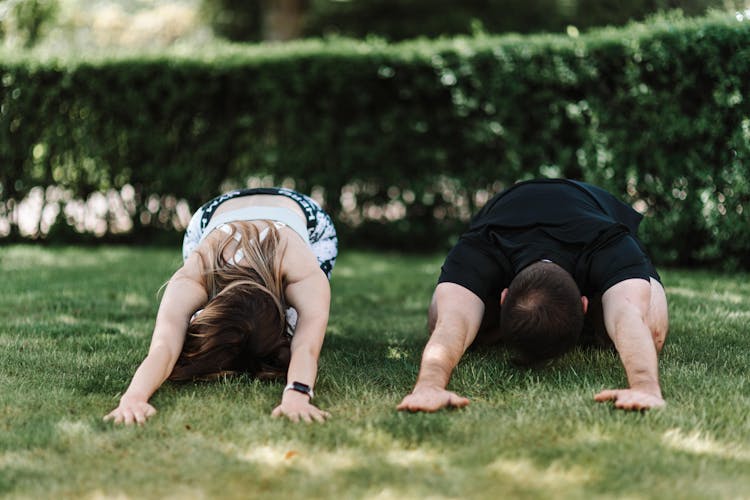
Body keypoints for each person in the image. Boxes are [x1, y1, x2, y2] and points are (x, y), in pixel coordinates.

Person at [397, 178, 668, 413]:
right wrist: (428, 386)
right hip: (506, 211)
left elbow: (629, 315)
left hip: (592, 207)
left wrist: (646, 386)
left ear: (504, 297)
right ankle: (573, 323)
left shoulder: (609, 243)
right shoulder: (482, 245)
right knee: (439, 316)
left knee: (651, 326)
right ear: (584, 305)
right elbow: (451, 320)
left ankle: (578, 320)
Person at [104, 187, 338, 424]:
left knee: (298, 324)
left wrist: (297, 396)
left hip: (303, 218)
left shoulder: (303, 271)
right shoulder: (196, 273)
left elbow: (306, 347)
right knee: (195, 328)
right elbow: (164, 346)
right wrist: (134, 397)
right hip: (212, 216)